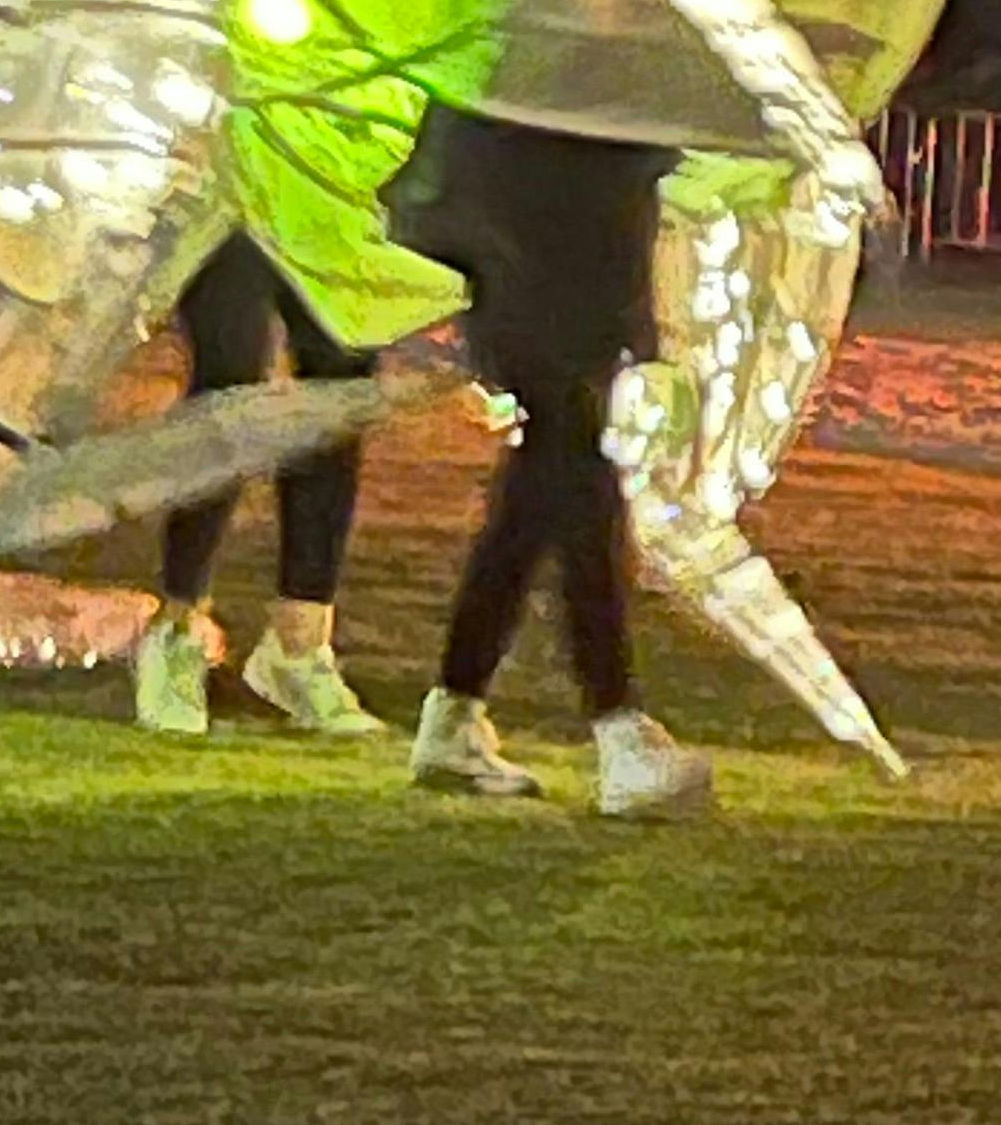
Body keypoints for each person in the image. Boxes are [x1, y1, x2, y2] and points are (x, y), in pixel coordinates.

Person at [387, 105, 712, 821]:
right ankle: (618, 727)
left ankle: (456, 713)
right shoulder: (548, 57)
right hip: (535, 282)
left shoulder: (579, 53)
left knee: (537, 502)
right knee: (581, 493)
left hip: (553, 281)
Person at [127, 234, 391, 739]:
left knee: (338, 386)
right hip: (232, 187)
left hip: (332, 182)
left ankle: (298, 649)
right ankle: (178, 629)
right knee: (231, 375)